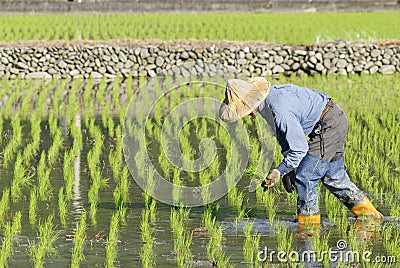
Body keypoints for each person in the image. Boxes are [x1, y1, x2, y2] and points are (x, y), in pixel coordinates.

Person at [219, 77, 383, 224]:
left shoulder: (279, 110)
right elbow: (284, 137)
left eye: (245, 111)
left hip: (328, 125)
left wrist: (279, 170)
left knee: (306, 176)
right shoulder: (269, 103)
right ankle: (369, 215)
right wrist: (288, 168)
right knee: (334, 176)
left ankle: (308, 226)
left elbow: (299, 148)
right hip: (333, 119)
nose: (247, 115)